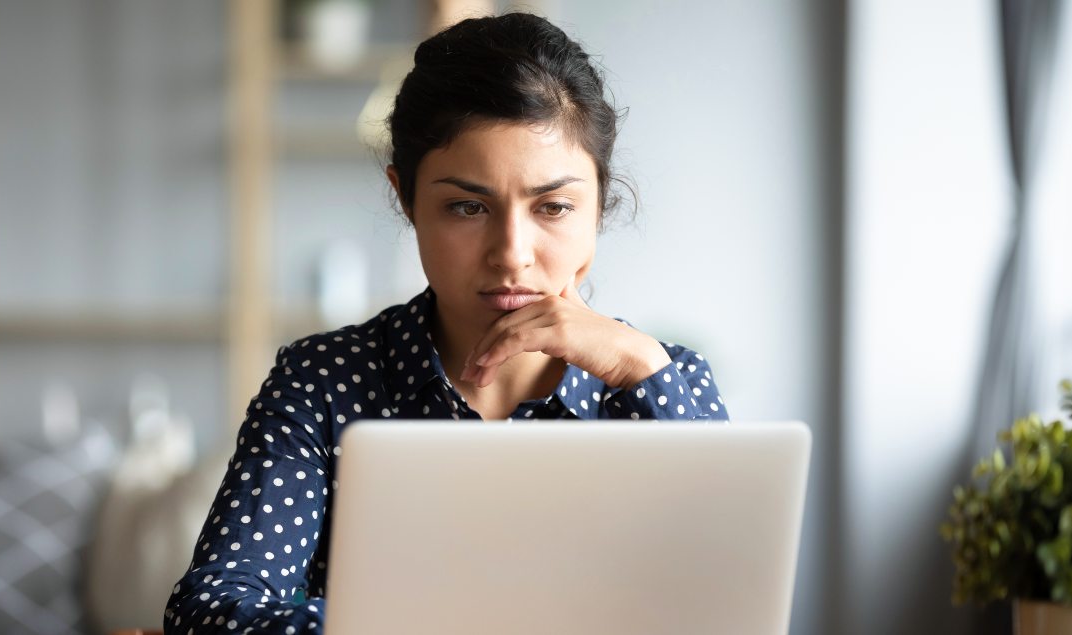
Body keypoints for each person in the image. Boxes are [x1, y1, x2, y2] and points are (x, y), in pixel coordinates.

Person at [163, 12, 728, 634]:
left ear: (599, 204)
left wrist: (641, 371)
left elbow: (728, 606)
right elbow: (214, 610)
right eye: (466, 206)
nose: (512, 252)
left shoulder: (659, 380)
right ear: (406, 199)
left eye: (555, 207)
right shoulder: (324, 382)